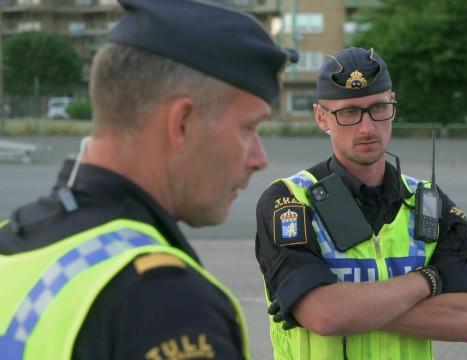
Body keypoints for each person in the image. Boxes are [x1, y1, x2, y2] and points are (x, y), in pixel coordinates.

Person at [0, 0, 294, 359]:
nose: (259, 159)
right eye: (249, 128)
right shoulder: (165, 306)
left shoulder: (13, 242)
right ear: (182, 124)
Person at [255, 47, 467, 359]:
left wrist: (349, 310)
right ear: (321, 117)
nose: (367, 128)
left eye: (378, 108)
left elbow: (463, 320)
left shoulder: (430, 203)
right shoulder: (288, 201)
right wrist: (427, 280)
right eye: (349, 113)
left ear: (393, 105)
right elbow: (324, 315)